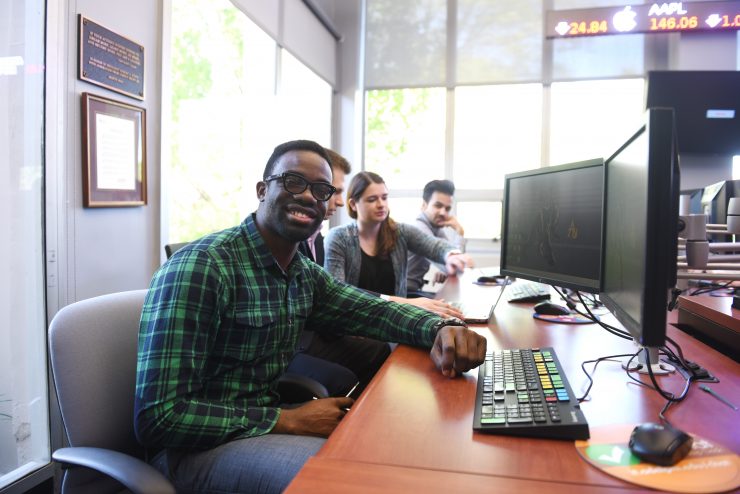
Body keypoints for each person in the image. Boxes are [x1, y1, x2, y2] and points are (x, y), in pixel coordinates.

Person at [135, 140, 487, 494]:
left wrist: (442, 329)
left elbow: (372, 312)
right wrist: (284, 420)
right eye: (293, 182)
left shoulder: (300, 272)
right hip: (190, 452)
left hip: (257, 423)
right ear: (262, 190)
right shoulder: (203, 267)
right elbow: (159, 418)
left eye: (321, 190)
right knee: (346, 477)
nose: (308, 196)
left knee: (387, 449)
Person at [324, 171, 474, 301]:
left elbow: (434, 245)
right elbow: (338, 295)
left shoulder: (400, 231)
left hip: (395, 322)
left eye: (384, 197)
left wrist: (451, 255)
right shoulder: (338, 238)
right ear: (353, 204)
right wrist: (401, 302)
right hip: (355, 326)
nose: (381, 204)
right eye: (372, 199)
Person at [407, 179, 467, 296]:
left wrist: (460, 232)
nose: (443, 213)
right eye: (438, 206)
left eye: (447, 208)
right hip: (403, 294)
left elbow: (457, 265)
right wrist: (447, 267)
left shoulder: (436, 229)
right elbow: (455, 266)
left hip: (414, 290)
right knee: (452, 306)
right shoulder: (419, 228)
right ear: (424, 205)